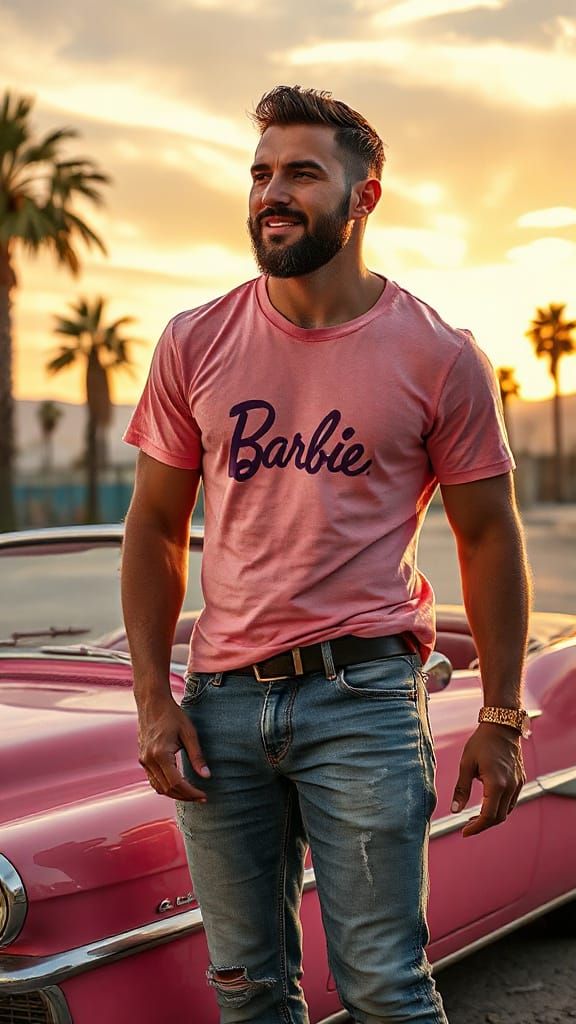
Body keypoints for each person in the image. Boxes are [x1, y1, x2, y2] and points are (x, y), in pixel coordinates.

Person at [121, 85, 530, 1024]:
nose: (272, 191)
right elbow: (151, 528)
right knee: (247, 990)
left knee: (385, 986)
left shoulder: (439, 356)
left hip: (367, 702)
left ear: (365, 197)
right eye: (261, 172)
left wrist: (502, 713)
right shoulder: (195, 342)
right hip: (219, 707)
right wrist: (154, 698)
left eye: (302, 172)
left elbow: (489, 534)